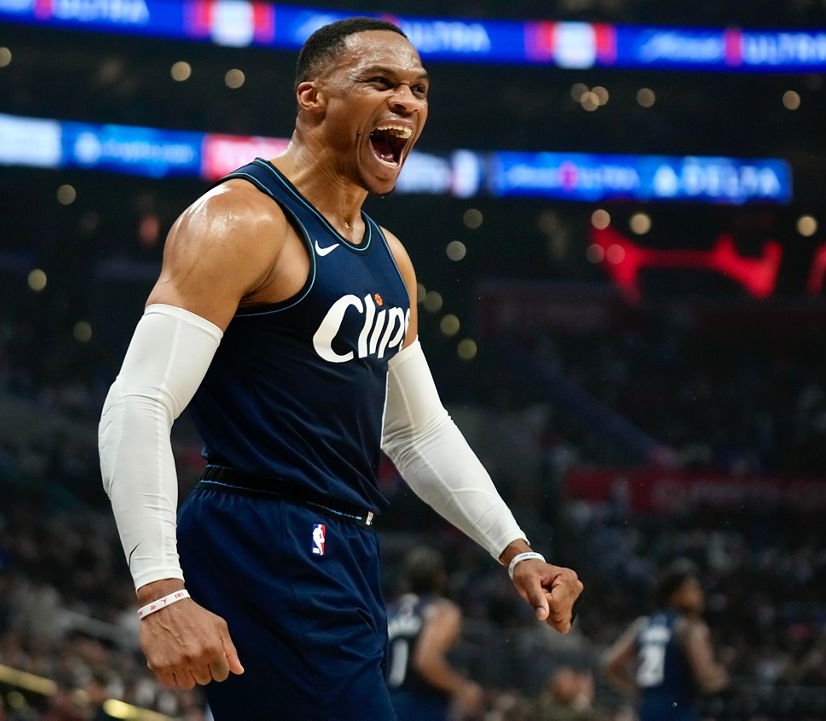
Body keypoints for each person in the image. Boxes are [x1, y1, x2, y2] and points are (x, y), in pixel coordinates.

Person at [97, 16, 584, 720]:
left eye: (418, 88)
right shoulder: (241, 220)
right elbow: (137, 401)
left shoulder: (391, 257)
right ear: (313, 98)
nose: (408, 102)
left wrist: (516, 551)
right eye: (381, 82)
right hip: (269, 533)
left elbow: (417, 431)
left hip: (343, 543)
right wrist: (161, 591)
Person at [603, 563, 728, 721]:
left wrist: (639, 688)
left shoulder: (643, 624)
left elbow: (610, 663)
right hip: (678, 712)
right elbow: (706, 678)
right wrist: (723, 676)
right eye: (693, 589)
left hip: (645, 711)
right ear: (676, 594)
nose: (699, 594)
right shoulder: (689, 627)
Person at [385, 547, 483, 721]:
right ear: (440, 576)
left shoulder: (388, 612)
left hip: (384, 705)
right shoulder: (442, 610)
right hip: (421, 707)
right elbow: (426, 660)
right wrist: (462, 687)